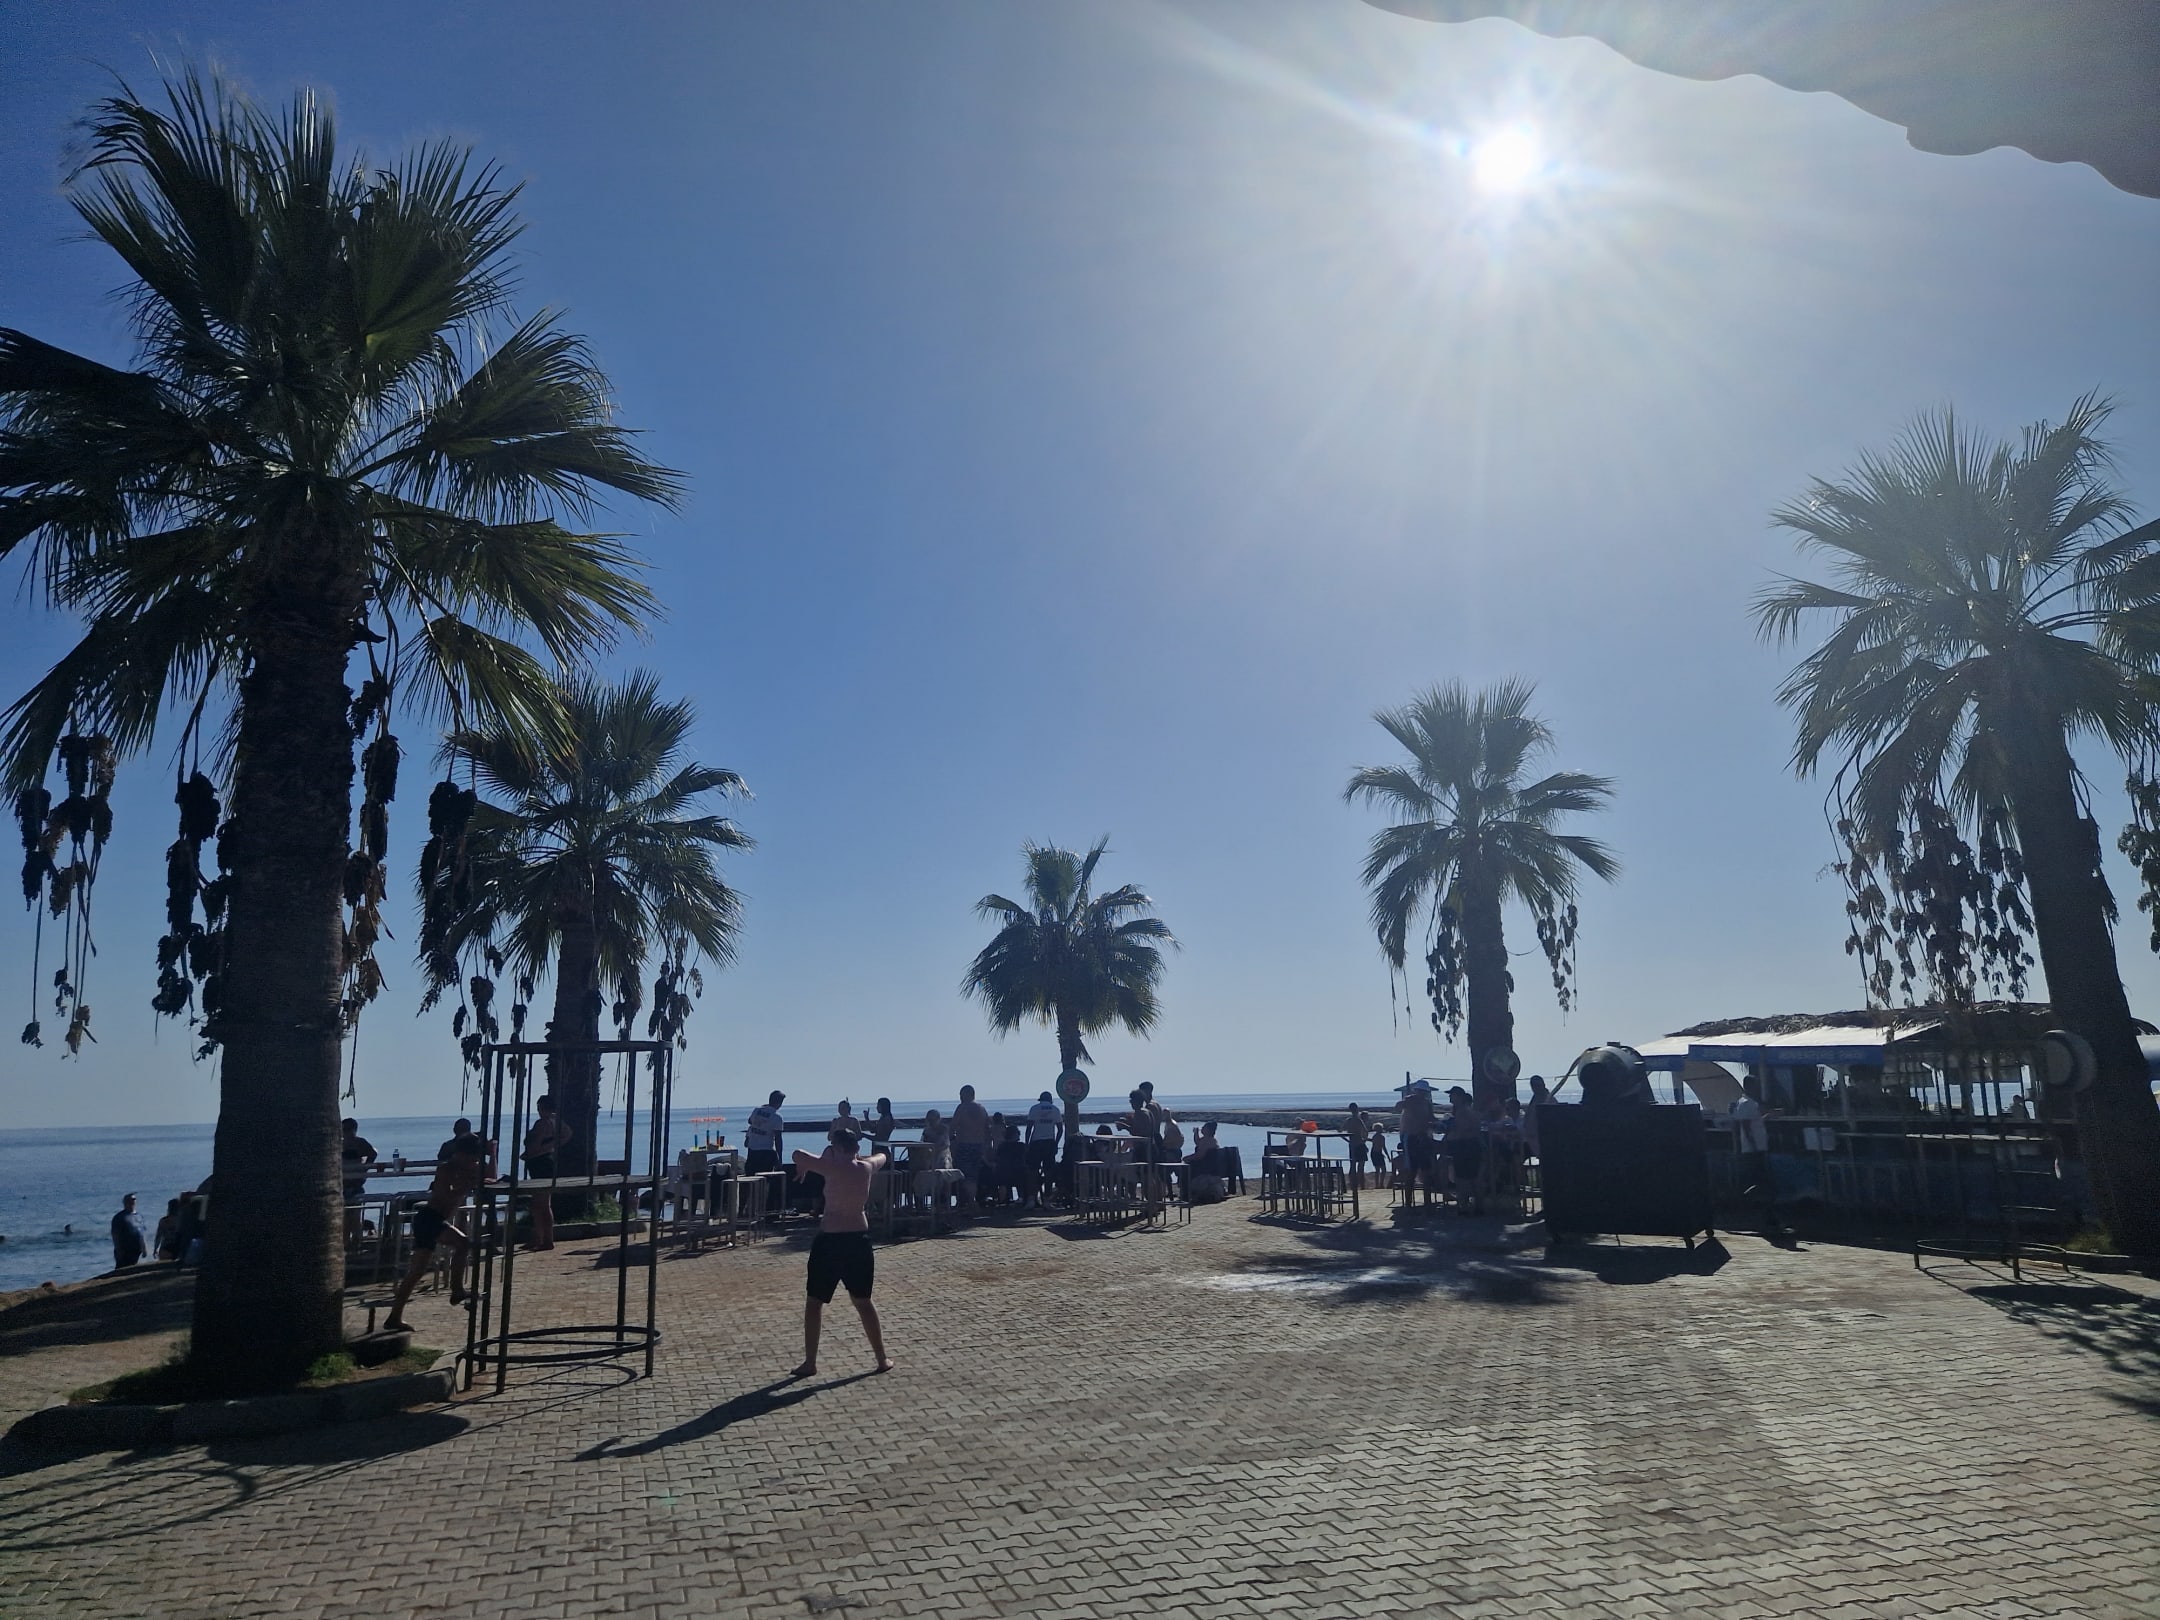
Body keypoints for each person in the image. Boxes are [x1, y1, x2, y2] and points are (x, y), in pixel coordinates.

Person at [789, 1129, 893, 1377]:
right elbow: (883, 1156)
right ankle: (882, 1358)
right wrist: (862, 1157)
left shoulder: (831, 1167)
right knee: (863, 1301)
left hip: (831, 1241)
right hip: (858, 1240)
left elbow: (797, 1154)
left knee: (814, 1302)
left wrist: (807, 1165)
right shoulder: (865, 1168)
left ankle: (810, 1362)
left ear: (836, 1148)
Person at [384, 1132, 494, 1331]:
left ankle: (394, 1316)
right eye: (471, 1158)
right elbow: (444, 1195)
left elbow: (491, 1176)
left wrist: (492, 1154)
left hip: (438, 1220)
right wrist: (466, 1185)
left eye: (475, 1159)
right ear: (461, 1154)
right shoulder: (446, 1169)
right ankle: (456, 1290)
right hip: (429, 1219)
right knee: (461, 1244)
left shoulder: (470, 1168)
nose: (473, 1162)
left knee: (417, 1271)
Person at [522, 1093, 573, 1252]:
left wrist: (530, 1153)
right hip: (546, 1161)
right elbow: (568, 1134)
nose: (538, 1111)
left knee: (540, 1204)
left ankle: (545, 1239)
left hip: (539, 1163)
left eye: (540, 1108)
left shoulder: (542, 1123)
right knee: (542, 1203)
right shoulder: (556, 1121)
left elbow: (535, 1146)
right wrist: (552, 1145)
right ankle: (540, 1237)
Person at [1731, 1075, 1780, 1230]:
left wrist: (1765, 1117)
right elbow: (1745, 1126)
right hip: (1754, 1149)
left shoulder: (1747, 1103)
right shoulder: (1747, 1103)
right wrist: (1753, 1144)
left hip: (1756, 1147)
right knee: (1762, 1182)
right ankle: (1760, 1211)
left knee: (1759, 1181)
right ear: (1749, 1086)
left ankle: (1758, 1210)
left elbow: (1752, 1122)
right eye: (1755, 1085)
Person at [1398, 1080, 1438, 1206]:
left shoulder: (1427, 1104)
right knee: (1411, 1171)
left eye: (1424, 1092)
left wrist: (1439, 1123)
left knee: (1426, 1171)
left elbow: (1431, 1118)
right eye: (1420, 1091)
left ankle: (1427, 1202)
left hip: (1424, 1137)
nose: (1422, 1094)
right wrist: (1407, 1102)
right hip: (1411, 1137)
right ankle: (1408, 1203)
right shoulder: (1410, 1100)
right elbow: (1398, 1106)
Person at [951, 1086, 990, 1211]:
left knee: (965, 1175)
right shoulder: (982, 1109)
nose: (960, 1098)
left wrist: (950, 1140)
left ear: (967, 1094)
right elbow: (987, 1129)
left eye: (961, 1095)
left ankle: (970, 1202)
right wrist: (987, 1147)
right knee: (973, 1175)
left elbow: (952, 1127)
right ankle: (968, 1201)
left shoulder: (962, 1108)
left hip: (965, 1144)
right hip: (979, 1145)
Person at [340, 1117, 378, 1243]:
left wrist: (365, 1168)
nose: (346, 1132)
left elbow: (373, 1154)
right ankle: (345, 1243)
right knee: (344, 1218)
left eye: (348, 1129)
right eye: (343, 1129)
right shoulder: (338, 1144)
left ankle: (357, 1242)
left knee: (356, 1216)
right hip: (342, 1186)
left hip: (356, 1185)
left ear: (354, 1130)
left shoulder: (360, 1143)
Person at [1024, 1090, 1063, 1204]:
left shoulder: (1034, 1108)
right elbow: (1060, 1129)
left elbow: (1029, 1128)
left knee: (1033, 1171)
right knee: (1049, 1172)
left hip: (1036, 1142)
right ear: (1050, 1100)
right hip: (1049, 1143)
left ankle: (1031, 1199)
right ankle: (1046, 1199)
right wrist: (1056, 1143)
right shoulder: (1055, 1110)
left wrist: (1027, 1144)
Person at [745, 1090, 788, 1176]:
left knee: (751, 1175)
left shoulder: (757, 1110)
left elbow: (750, 1121)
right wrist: (780, 1158)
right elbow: (778, 1139)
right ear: (779, 1103)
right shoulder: (777, 1117)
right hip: (766, 1151)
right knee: (766, 1177)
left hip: (752, 1149)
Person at [109, 1193, 147, 1271]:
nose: (132, 1201)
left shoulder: (139, 1216)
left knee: (133, 1269)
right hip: (124, 1250)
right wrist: (118, 1249)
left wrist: (144, 1248)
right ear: (124, 1202)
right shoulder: (119, 1217)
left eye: (134, 1199)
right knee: (122, 1269)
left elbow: (142, 1233)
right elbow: (115, 1234)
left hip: (136, 1249)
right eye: (129, 1200)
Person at [1345, 1104, 1372, 1190]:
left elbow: (1340, 1131)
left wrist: (1348, 1140)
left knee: (1352, 1165)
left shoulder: (1348, 1120)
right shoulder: (1358, 1120)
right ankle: (1362, 1186)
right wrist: (1364, 1140)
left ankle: (1353, 1185)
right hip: (1359, 1144)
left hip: (1352, 1144)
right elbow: (1365, 1131)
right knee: (1360, 1166)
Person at [153, 1197, 182, 1263]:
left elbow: (158, 1237)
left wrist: (155, 1249)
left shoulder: (163, 1221)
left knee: (163, 1267)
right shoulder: (181, 1220)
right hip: (178, 1248)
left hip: (165, 1248)